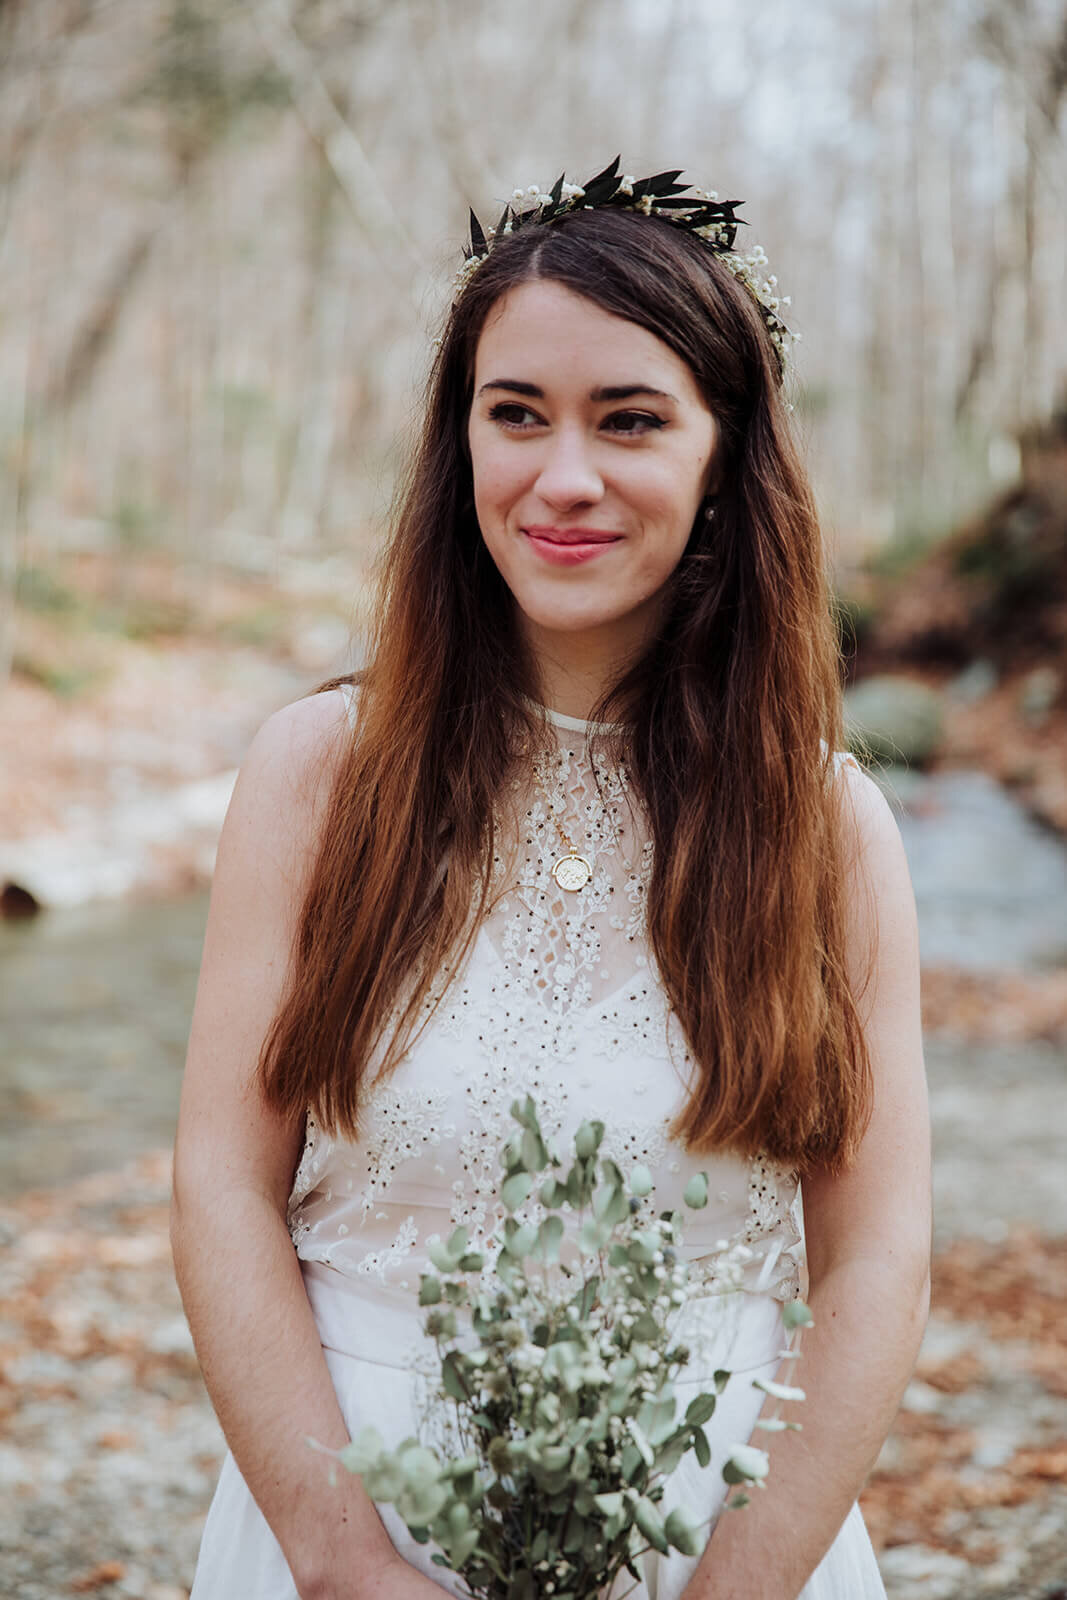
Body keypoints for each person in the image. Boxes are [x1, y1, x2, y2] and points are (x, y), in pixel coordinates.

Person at [172, 159, 930, 1600]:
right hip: (349, 1521)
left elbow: (877, 1258)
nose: (561, 477)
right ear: (459, 443)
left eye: (630, 420)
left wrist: (742, 1582)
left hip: (716, 1529)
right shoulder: (320, 774)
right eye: (515, 414)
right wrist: (337, 1559)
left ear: (725, 458)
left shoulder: (828, 829)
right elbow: (220, 1181)